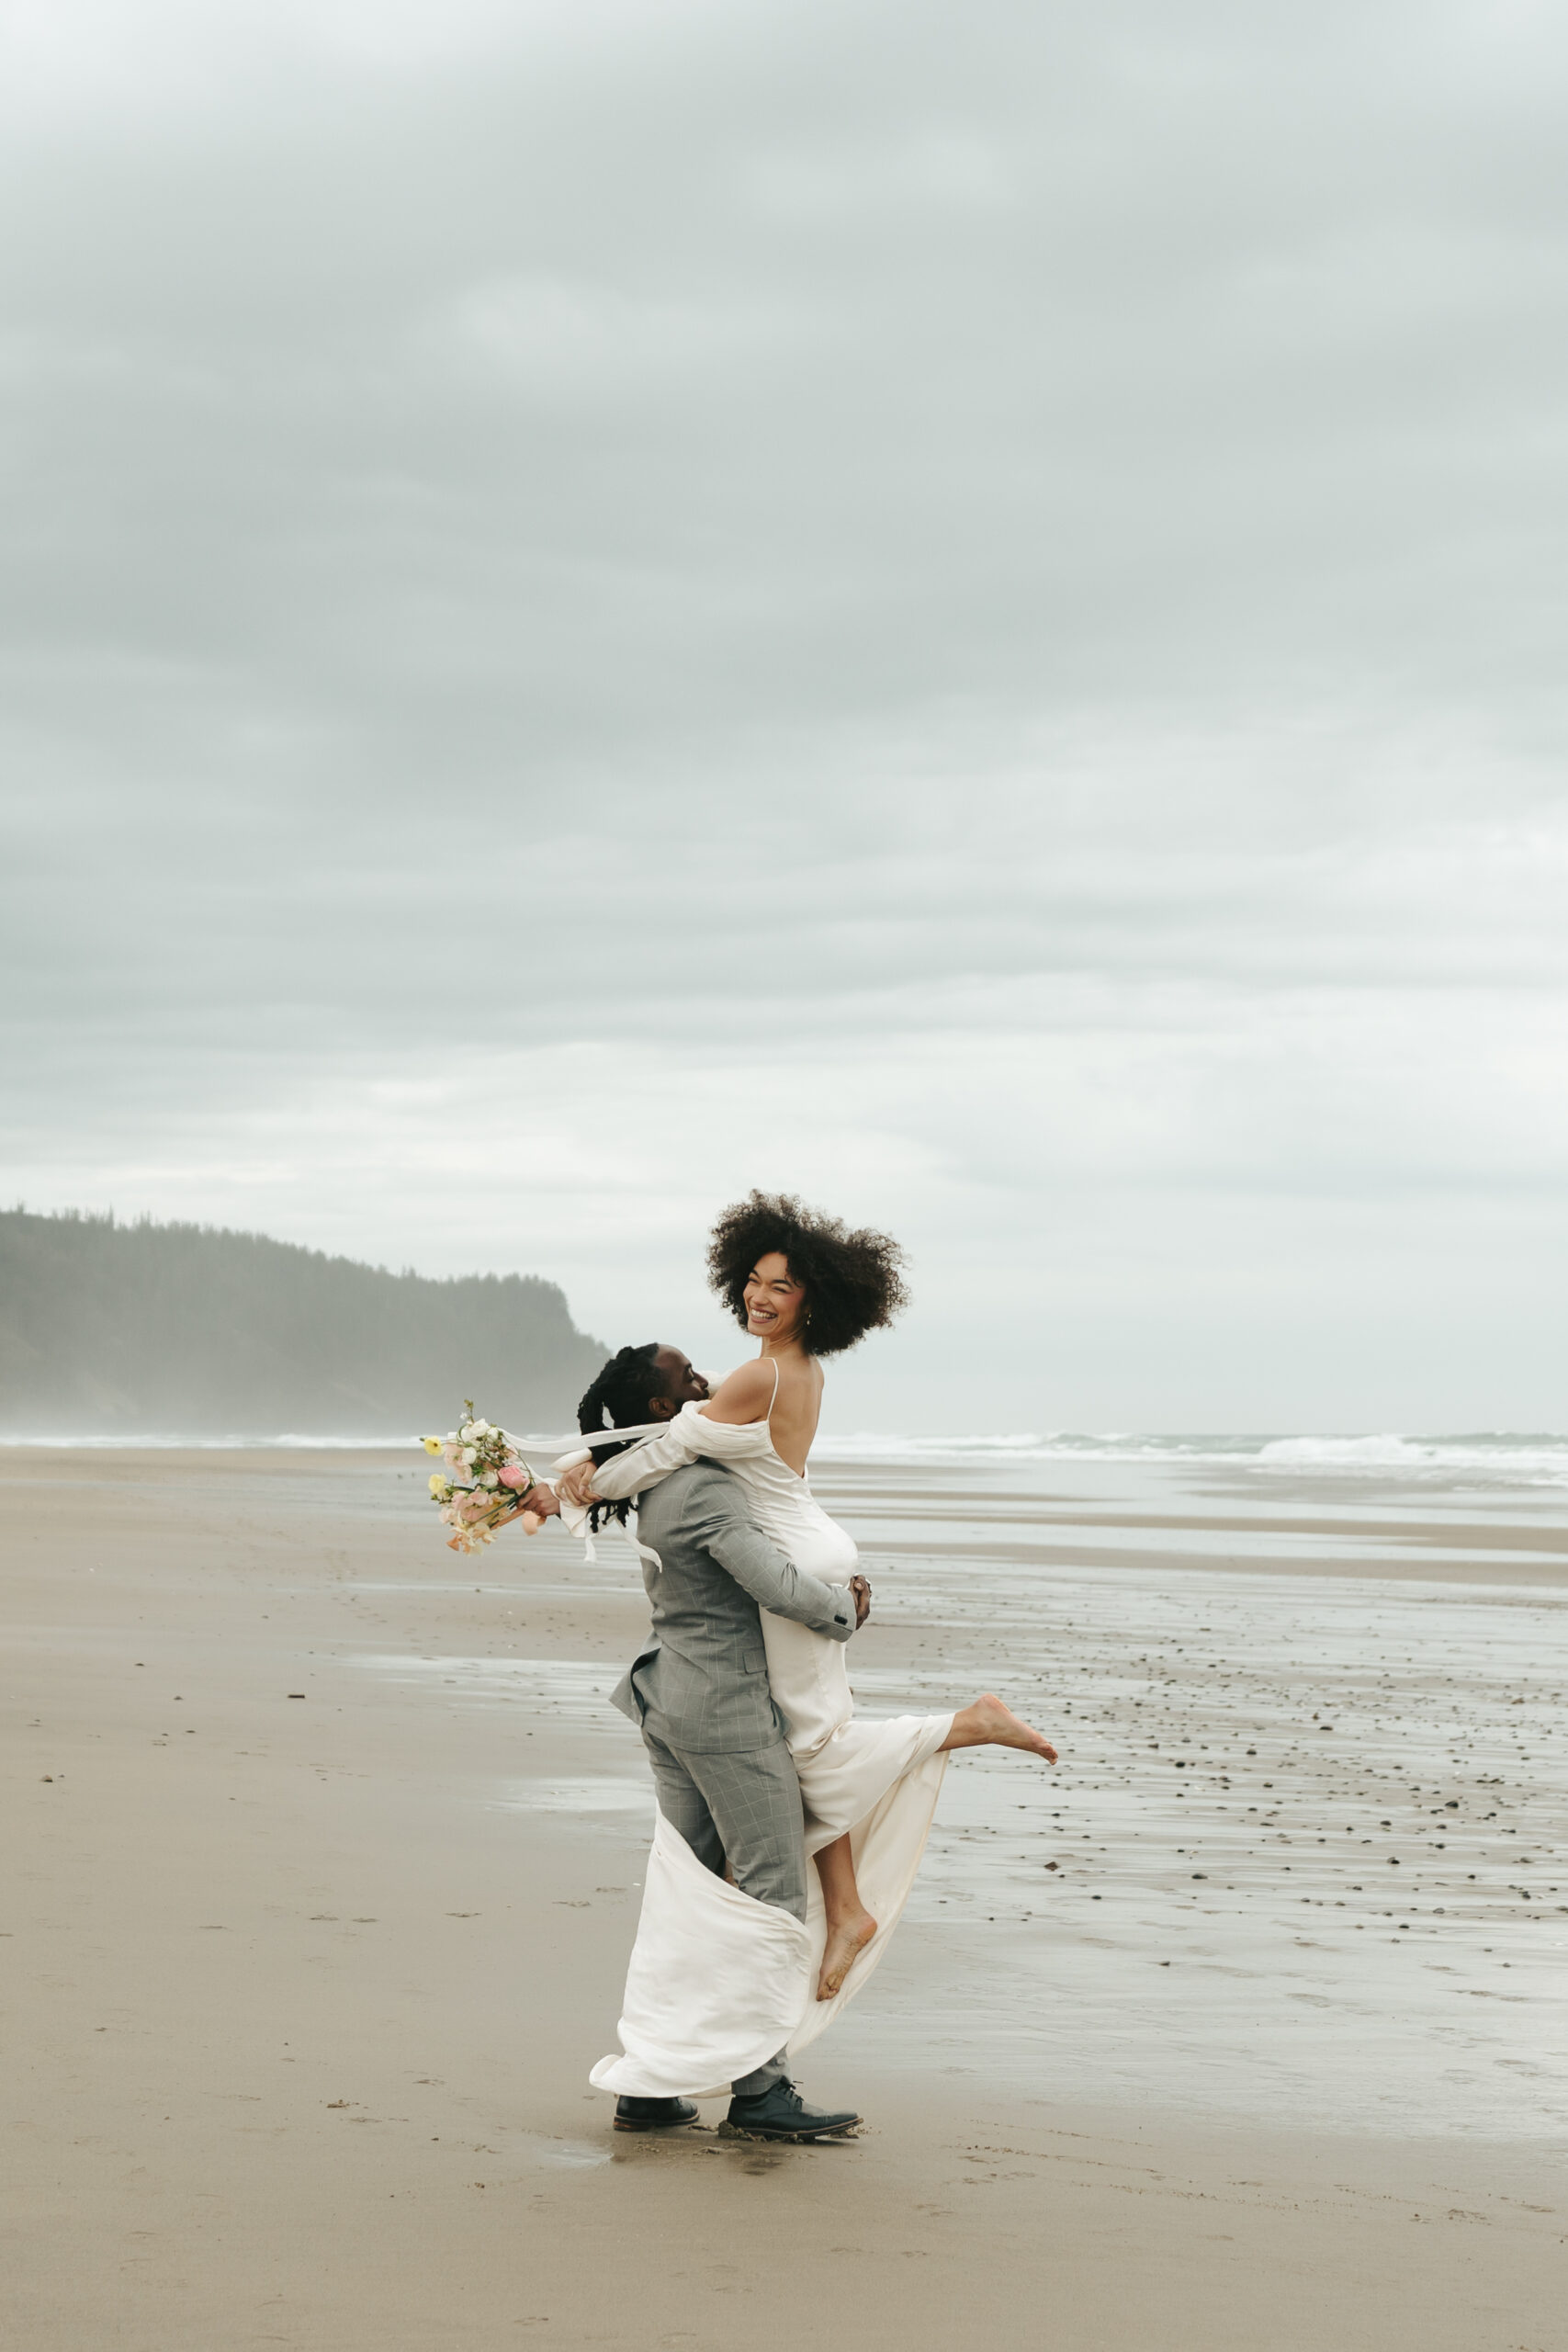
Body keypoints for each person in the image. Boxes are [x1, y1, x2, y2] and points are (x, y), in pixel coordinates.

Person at [526, 1193, 1058, 2099]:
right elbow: (674, 1450)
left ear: (815, 1300)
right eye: (751, 1280)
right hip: (811, 1536)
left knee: (812, 1746)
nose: (759, 1296)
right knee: (812, 1738)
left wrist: (555, 1491)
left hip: (791, 1564)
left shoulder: (757, 1378)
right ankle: (846, 1905)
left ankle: (961, 1730)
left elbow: (659, 1457)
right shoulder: (797, 1370)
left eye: (780, 1286)